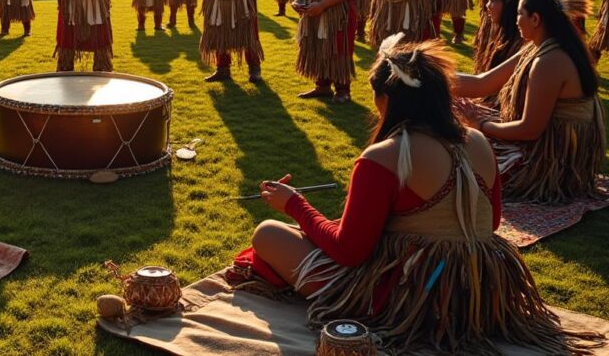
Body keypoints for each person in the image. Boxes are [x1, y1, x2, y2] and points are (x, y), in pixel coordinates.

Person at [246, 36, 603, 355]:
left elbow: (350, 251)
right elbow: (490, 222)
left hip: (413, 297)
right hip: (478, 291)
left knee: (268, 233)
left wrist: (294, 204)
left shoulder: (385, 156)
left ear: (386, 99)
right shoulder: (477, 141)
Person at [455, 0, 604, 204]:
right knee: (455, 114)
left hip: (551, 162)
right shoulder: (538, 48)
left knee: (460, 155)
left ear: (535, 19)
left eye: (519, 14)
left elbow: (529, 130)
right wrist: (431, 74)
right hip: (539, 143)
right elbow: (482, 83)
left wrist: (482, 125)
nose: (515, 20)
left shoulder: (550, 61)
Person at [470, 0, 538, 79]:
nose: (487, 6)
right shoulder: (505, 38)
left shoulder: (522, 46)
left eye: (492, 0)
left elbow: (484, 84)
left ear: (509, 4)